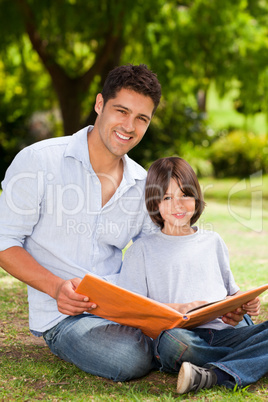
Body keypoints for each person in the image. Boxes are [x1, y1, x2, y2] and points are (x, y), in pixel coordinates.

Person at [0, 64, 246, 382]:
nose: (129, 126)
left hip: (130, 310)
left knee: (227, 325)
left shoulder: (144, 184)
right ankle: (230, 353)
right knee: (130, 359)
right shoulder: (38, 161)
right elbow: (4, 241)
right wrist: (56, 287)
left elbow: (162, 252)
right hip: (66, 315)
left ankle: (210, 350)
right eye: (121, 111)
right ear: (100, 104)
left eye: (141, 118)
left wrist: (210, 305)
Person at [118, 156, 268, 393]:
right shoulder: (141, 250)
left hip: (225, 332)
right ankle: (247, 359)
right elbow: (132, 312)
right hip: (184, 338)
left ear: (196, 197)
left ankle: (215, 374)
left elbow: (232, 292)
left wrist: (246, 303)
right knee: (174, 344)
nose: (178, 205)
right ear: (154, 203)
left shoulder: (213, 241)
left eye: (185, 195)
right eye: (167, 197)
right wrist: (183, 308)